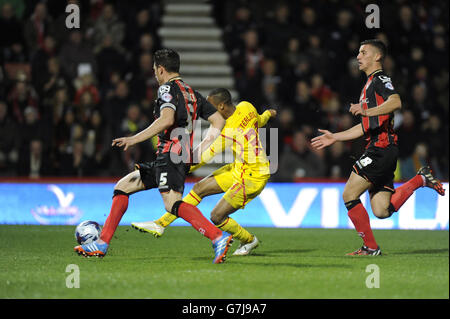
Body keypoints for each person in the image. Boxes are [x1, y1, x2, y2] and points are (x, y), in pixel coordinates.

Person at [74, 49, 234, 264]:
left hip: (171, 154)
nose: (155, 75)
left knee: (172, 204)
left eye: (154, 71)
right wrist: (202, 148)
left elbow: (167, 119)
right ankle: (102, 243)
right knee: (124, 186)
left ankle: (217, 236)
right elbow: (218, 120)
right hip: (175, 155)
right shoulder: (191, 92)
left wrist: (134, 138)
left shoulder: (166, 88)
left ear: (161, 69)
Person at [311, 39, 445, 256]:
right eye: (358, 52)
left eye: (363, 52)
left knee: (349, 194)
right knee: (381, 210)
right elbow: (364, 128)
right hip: (382, 150)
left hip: (380, 150)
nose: (358, 56)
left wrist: (366, 111)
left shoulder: (380, 79)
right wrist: (335, 137)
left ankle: (370, 247)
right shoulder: (368, 86)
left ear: (377, 57)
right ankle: (419, 179)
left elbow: (396, 102)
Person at [131, 88, 276, 256]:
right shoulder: (246, 106)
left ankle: (249, 240)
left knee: (216, 216)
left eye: (211, 107)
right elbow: (259, 120)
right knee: (199, 188)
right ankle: (160, 224)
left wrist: (178, 167)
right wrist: (268, 113)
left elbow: (205, 156)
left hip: (254, 177)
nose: (207, 112)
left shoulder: (227, 131)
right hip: (239, 168)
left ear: (221, 106)